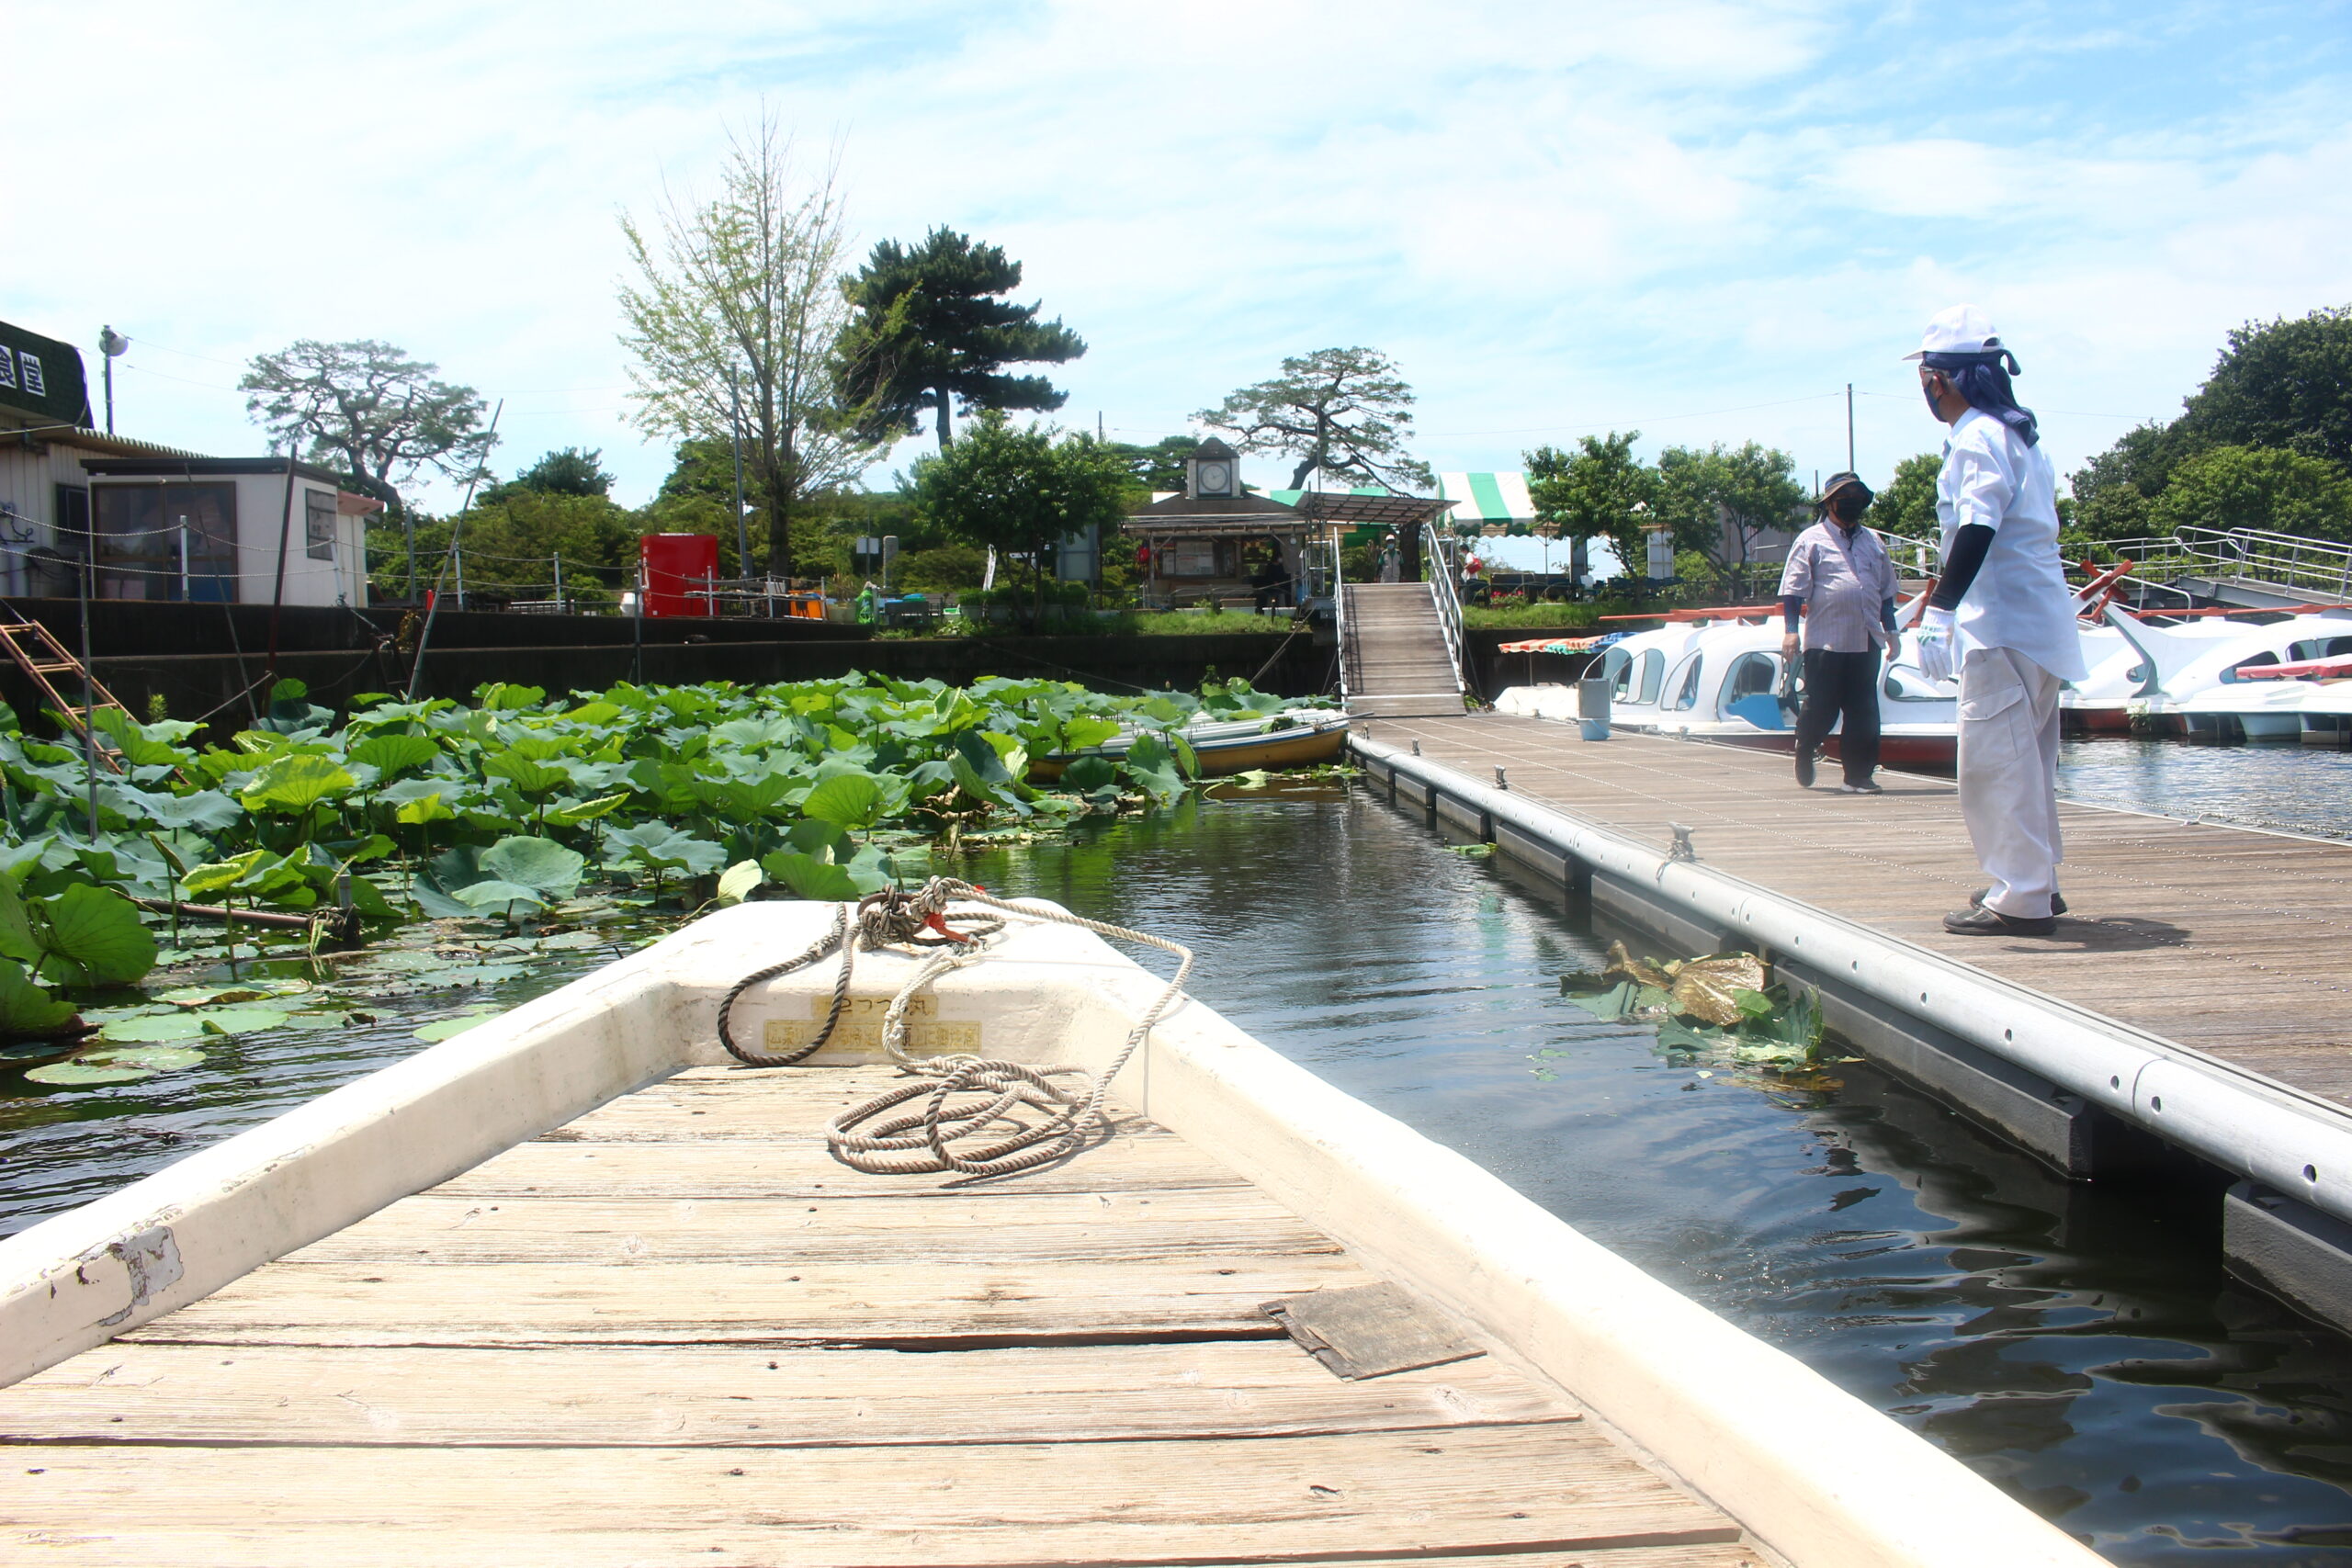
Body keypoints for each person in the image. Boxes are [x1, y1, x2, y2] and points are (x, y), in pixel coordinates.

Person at [1905, 306, 2087, 937]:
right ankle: (2037, 879)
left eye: (1926, 380)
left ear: (1939, 380)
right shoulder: (2017, 436)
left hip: (2002, 622)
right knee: (2029, 762)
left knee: (1995, 764)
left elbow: (1979, 522)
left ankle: (2022, 895)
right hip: (2037, 622)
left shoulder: (1977, 436)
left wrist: (1943, 609)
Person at [1777, 472, 1898, 793]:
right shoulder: (1810, 540)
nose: (1852, 503)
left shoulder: (1874, 541)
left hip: (1867, 637)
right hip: (1826, 640)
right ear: (1830, 503)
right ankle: (1806, 744)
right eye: (1845, 498)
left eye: (1858, 498)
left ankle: (1858, 775)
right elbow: (1793, 591)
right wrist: (1791, 631)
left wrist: (1893, 632)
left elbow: (1887, 593)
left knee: (1864, 711)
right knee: (1823, 706)